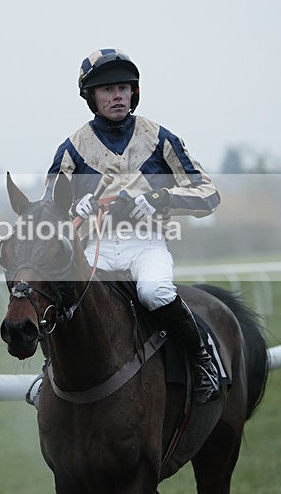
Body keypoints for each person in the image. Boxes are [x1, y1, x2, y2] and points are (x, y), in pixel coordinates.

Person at [44, 48, 222, 405]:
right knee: (65, 294)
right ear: (91, 97)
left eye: (124, 87)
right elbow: (49, 210)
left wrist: (164, 198)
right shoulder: (72, 148)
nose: (117, 95)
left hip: (146, 245)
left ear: (134, 92)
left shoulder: (160, 138)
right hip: (97, 247)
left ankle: (203, 361)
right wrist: (71, 207)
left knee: (155, 292)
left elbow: (209, 194)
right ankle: (48, 375)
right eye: (107, 89)